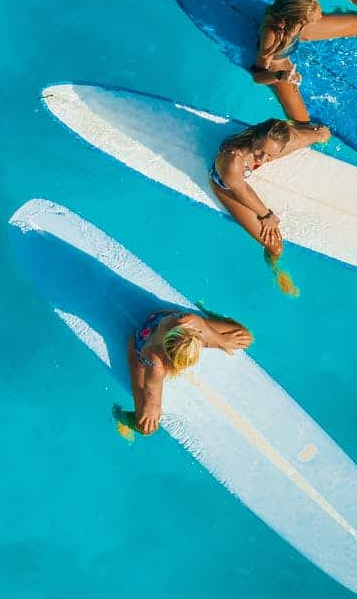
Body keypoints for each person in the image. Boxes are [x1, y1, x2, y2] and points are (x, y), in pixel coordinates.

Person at [208, 117, 332, 295]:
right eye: (260, 150)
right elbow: (242, 192)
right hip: (226, 185)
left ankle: (294, 138)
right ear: (255, 139)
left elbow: (294, 140)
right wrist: (267, 216)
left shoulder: (269, 147)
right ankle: (274, 269)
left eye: (270, 155)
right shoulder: (232, 163)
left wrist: (318, 135)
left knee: (314, 136)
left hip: (250, 164)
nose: (263, 158)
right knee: (275, 246)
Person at [251, 0, 357, 122]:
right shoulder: (273, 36)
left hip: (300, 29)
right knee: (302, 122)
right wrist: (281, 75)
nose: (320, 16)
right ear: (298, 21)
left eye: (318, 8)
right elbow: (257, 76)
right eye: (315, 17)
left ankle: (307, 29)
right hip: (279, 61)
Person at [114, 308, 253, 438]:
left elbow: (203, 331)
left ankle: (215, 327)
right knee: (145, 426)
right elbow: (151, 390)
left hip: (167, 322)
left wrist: (222, 340)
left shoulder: (188, 322)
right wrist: (152, 406)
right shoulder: (155, 361)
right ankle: (121, 415)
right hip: (140, 346)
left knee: (243, 335)